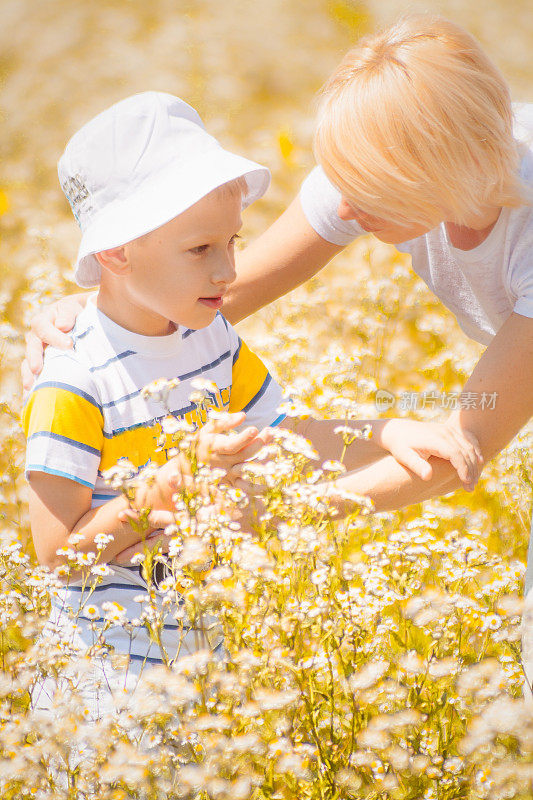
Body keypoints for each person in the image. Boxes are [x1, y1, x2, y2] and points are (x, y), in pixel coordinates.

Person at [23, 15, 533, 582]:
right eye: (342, 181)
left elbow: (465, 444)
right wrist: (89, 317)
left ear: (440, 173)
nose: (340, 210)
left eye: (364, 190)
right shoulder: (375, 169)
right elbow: (211, 296)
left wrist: (271, 512)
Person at [24, 91, 481, 720]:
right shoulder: (72, 379)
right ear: (115, 253)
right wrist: (167, 492)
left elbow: (282, 436)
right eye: (200, 250)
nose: (227, 271)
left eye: (232, 242)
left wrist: (384, 429)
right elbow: (56, 555)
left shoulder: (210, 336)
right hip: (107, 680)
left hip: (207, 660)